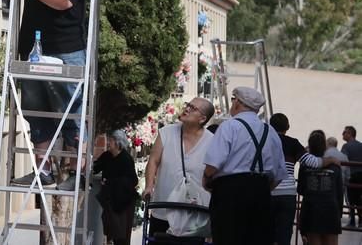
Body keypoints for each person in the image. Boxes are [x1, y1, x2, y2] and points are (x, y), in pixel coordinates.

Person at [0, 0, 88, 189]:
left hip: (65, 49)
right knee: (36, 109)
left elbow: (63, 1)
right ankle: (42, 169)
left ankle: (75, 169)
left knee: (70, 107)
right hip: (34, 49)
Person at [202, 86, 287, 245]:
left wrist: (206, 179)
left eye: (233, 99)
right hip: (261, 191)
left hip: (229, 192)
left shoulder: (229, 126)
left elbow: (213, 164)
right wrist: (261, 188)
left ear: (238, 103)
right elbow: (280, 173)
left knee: (227, 237)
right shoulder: (270, 131)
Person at [142, 97, 215, 236]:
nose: (187, 108)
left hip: (195, 213)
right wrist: (149, 186)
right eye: (188, 105)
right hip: (163, 208)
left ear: (202, 119)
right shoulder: (166, 133)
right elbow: (153, 161)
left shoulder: (212, 141)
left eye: (193, 108)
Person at [269, 113, 337, 245]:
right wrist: (331, 159)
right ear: (287, 127)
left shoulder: (264, 141)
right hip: (287, 194)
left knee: (265, 231)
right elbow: (312, 162)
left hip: (267, 192)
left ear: (270, 126)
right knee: (285, 232)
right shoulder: (293, 143)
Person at [93, 129, 139, 245]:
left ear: (118, 143)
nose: (108, 142)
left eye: (111, 140)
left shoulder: (126, 159)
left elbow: (133, 180)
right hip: (111, 201)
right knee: (110, 233)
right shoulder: (107, 156)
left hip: (124, 203)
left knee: (121, 237)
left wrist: (110, 182)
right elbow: (95, 168)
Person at [298, 130, 343, 245]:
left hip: (311, 209)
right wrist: (339, 214)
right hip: (331, 209)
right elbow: (339, 192)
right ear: (325, 147)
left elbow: (301, 189)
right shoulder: (335, 166)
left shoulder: (304, 166)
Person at [342, 125, 362, 227]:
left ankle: (352, 221)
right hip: (361, 176)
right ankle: (361, 221)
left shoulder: (346, 147)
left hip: (352, 176)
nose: (342, 134)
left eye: (344, 132)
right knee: (359, 199)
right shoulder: (361, 145)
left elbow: (343, 162)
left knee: (350, 200)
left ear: (350, 134)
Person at [326, 136, 350, 218]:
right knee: (338, 203)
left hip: (327, 184)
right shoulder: (344, 156)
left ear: (328, 144)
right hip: (341, 183)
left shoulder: (324, 154)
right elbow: (348, 175)